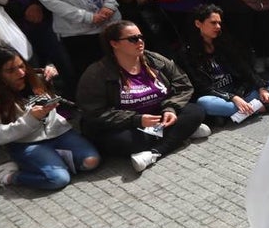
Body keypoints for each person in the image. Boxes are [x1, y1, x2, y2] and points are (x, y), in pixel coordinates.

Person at [76, 20, 208, 172]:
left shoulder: (155, 60)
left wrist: (170, 108)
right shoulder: (97, 73)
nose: (140, 42)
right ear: (114, 44)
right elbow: (94, 112)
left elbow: (183, 85)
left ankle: (155, 152)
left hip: (158, 117)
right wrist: (135, 119)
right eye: (132, 39)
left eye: (141, 37)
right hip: (126, 125)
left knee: (195, 111)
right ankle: (181, 133)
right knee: (125, 142)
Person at [0, 45, 100, 190]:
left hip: (58, 132)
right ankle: (7, 176)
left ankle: (44, 161)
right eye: (10, 70)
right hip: (26, 143)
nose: (21, 73)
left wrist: (51, 74)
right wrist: (30, 119)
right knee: (58, 179)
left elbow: (55, 95)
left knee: (91, 162)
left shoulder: (35, 77)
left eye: (21, 66)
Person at [180, 5, 269, 125]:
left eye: (219, 23)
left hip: (238, 90)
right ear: (198, 24)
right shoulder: (187, 53)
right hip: (216, 96)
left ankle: (228, 115)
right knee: (204, 103)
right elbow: (202, 87)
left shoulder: (224, 42)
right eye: (213, 23)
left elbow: (244, 68)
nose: (218, 27)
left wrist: (260, 87)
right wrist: (232, 98)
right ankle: (262, 108)